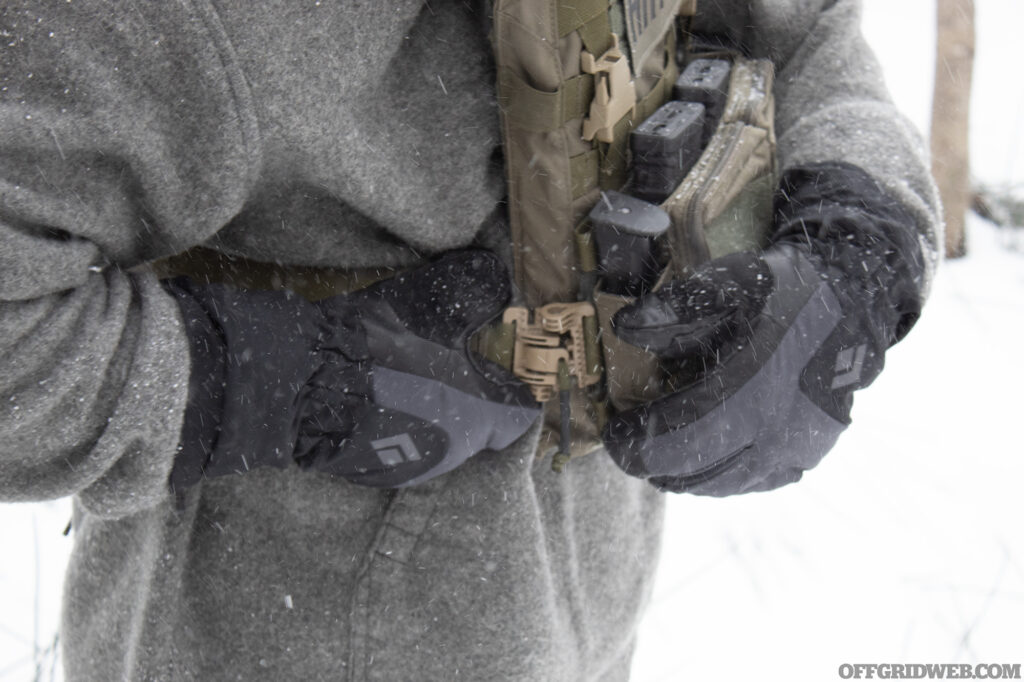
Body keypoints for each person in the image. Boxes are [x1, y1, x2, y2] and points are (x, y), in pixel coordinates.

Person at [0, 0, 939, 680]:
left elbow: (809, 34)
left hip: (587, 579)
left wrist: (860, 236)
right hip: (271, 628)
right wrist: (268, 382)